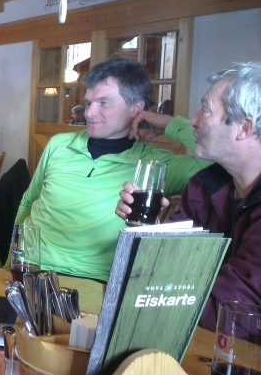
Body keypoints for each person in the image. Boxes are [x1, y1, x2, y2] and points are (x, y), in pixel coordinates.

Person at [16, 58, 209, 281]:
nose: (89, 113)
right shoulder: (59, 144)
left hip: (95, 280)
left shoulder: (155, 165)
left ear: (136, 108)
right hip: (29, 268)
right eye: (88, 103)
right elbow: (29, 201)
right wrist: (10, 259)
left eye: (104, 103)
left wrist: (170, 123)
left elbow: (213, 163)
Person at [116, 62, 261, 331]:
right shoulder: (203, 187)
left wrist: (154, 290)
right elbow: (163, 268)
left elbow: (232, 312)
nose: (194, 120)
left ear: (244, 128)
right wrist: (148, 230)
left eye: (206, 110)